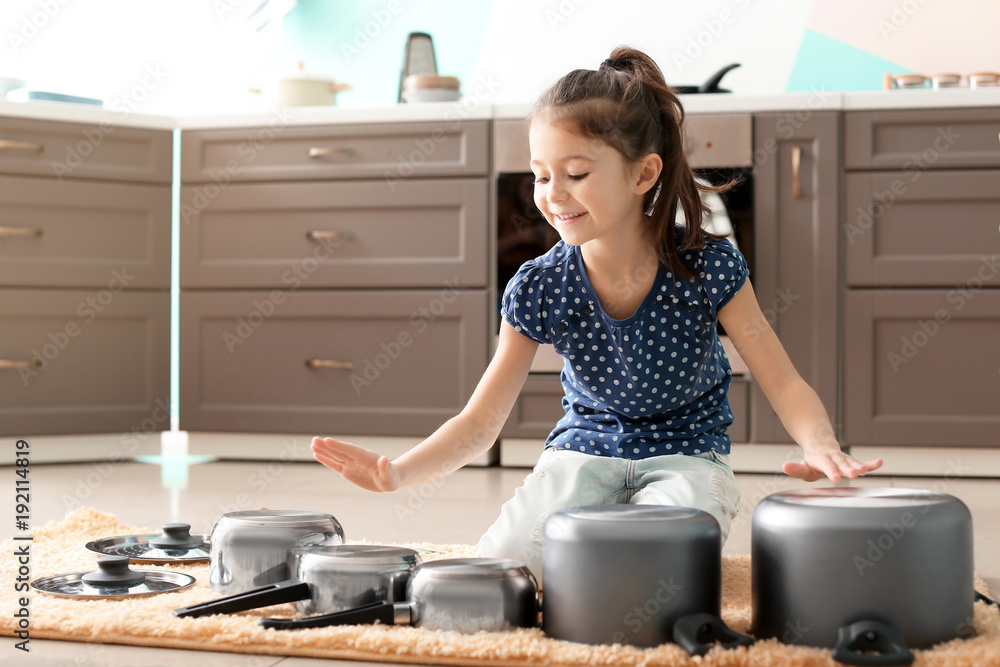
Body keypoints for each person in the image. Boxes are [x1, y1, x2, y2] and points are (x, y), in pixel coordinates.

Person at [311, 46, 883, 579]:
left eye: (577, 174)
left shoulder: (708, 266)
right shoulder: (539, 285)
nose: (553, 194)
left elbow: (782, 380)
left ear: (644, 174)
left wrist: (820, 445)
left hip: (688, 458)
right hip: (580, 455)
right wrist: (397, 472)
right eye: (540, 174)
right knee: (505, 569)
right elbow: (480, 422)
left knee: (664, 570)